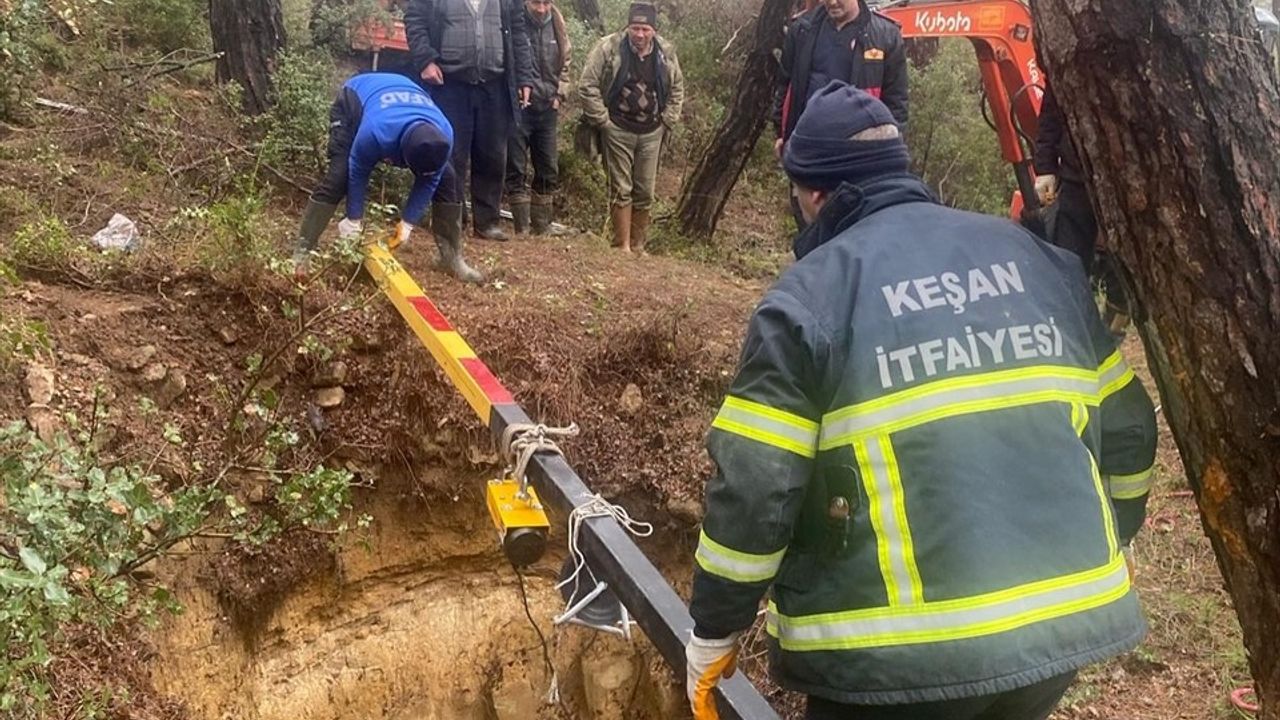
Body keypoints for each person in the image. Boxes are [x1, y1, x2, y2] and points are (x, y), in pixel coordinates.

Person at [685, 83, 1158, 720]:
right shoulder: (1039, 261)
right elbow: (1130, 430)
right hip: (1057, 634)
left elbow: (756, 486)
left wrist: (714, 628)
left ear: (816, 195)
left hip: (895, 663)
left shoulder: (809, 299)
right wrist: (1105, 539)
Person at [292, 72, 475, 281]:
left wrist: (407, 224)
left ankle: (451, 258)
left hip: (400, 95)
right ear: (401, 155)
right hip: (355, 100)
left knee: (447, 178)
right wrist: (354, 219)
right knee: (339, 175)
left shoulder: (445, 134)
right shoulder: (376, 133)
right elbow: (358, 170)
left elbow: (430, 179)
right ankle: (302, 252)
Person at [404, 0, 534, 243]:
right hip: (448, 83)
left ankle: (487, 222)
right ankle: (451, 220)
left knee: (493, 155)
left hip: (495, 83)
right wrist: (425, 60)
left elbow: (518, 32)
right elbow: (415, 20)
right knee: (450, 155)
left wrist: (525, 78)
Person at [773, 0, 908, 231]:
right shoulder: (802, 29)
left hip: (857, 159)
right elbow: (785, 85)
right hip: (809, 152)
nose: (832, 2)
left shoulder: (886, 36)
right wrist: (781, 134)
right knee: (808, 228)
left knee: (852, 229)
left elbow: (896, 105)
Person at [578, 2, 685, 253]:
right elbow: (587, 85)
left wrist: (668, 120)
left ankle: (638, 246)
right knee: (621, 188)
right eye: (635, 28)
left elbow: (677, 88)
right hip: (617, 128)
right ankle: (621, 245)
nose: (639, 34)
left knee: (645, 191)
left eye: (645, 29)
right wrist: (602, 120)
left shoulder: (666, 53)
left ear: (654, 31)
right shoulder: (608, 47)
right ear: (628, 27)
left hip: (652, 131)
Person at [1033, 79, 1129, 334]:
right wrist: (1045, 167)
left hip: (1126, 182)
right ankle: (1068, 331)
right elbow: (1050, 113)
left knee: (1125, 272)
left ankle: (1114, 327)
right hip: (1077, 179)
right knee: (1068, 264)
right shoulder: (1065, 68)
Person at [505, 0, 572, 237]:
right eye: (536, 2)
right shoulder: (514, 21)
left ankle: (542, 227)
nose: (541, 8)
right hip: (519, 106)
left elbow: (567, 62)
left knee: (548, 167)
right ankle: (521, 228)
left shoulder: (558, 23)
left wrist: (560, 95)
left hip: (548, 106)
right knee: (515, 165)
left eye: (546, 2)